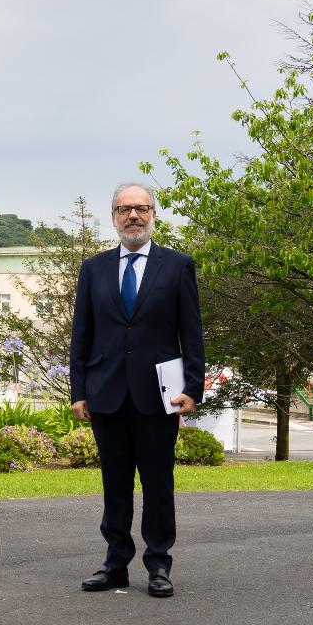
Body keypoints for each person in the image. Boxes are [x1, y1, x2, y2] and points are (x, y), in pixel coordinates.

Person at [69, 181, 205, 598]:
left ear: (153, 215)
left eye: (142, 208)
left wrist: (193, 388)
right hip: (106, 393)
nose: (134, 216)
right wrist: (78, 391)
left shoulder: (177, 266)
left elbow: (191, 333)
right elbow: (82, 335)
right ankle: (115, 564)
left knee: (158, 484)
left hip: (159, 396)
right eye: (125, 209)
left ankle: (159, 565)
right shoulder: (94, 268)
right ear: (112, 217)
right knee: (115, 485)